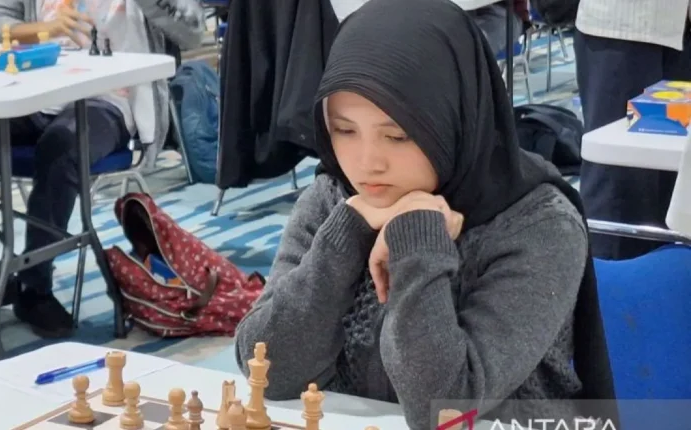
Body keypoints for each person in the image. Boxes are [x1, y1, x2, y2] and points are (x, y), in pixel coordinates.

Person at [234, 0, 618, 428]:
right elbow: (267, 371)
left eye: (398, 135)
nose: (367, 162)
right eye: (344, 130)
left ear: (453, 119)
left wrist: (417, 236)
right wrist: (344, 239)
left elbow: (442, 409)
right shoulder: (334, 200)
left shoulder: (538, 225)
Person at [0, 0, 204, 338]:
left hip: (109, 101)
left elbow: (193, 33)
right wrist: (40, 30)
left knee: (62, 146)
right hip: (28, 91)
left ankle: (35, 287)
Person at [574, 0, 691, 260]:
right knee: (618, 185)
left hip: (682, 28)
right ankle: (602, 280)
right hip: (623, 28)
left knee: (679, 183)